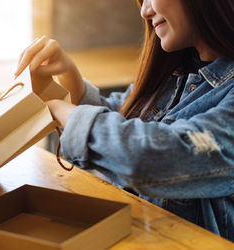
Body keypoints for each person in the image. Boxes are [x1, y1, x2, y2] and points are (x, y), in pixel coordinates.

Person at [14, 0, 234, 241]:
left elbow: (157, 155)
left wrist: (62, 109)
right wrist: (71, 81)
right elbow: (125, 119)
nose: (145, 11)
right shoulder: (176, 70)